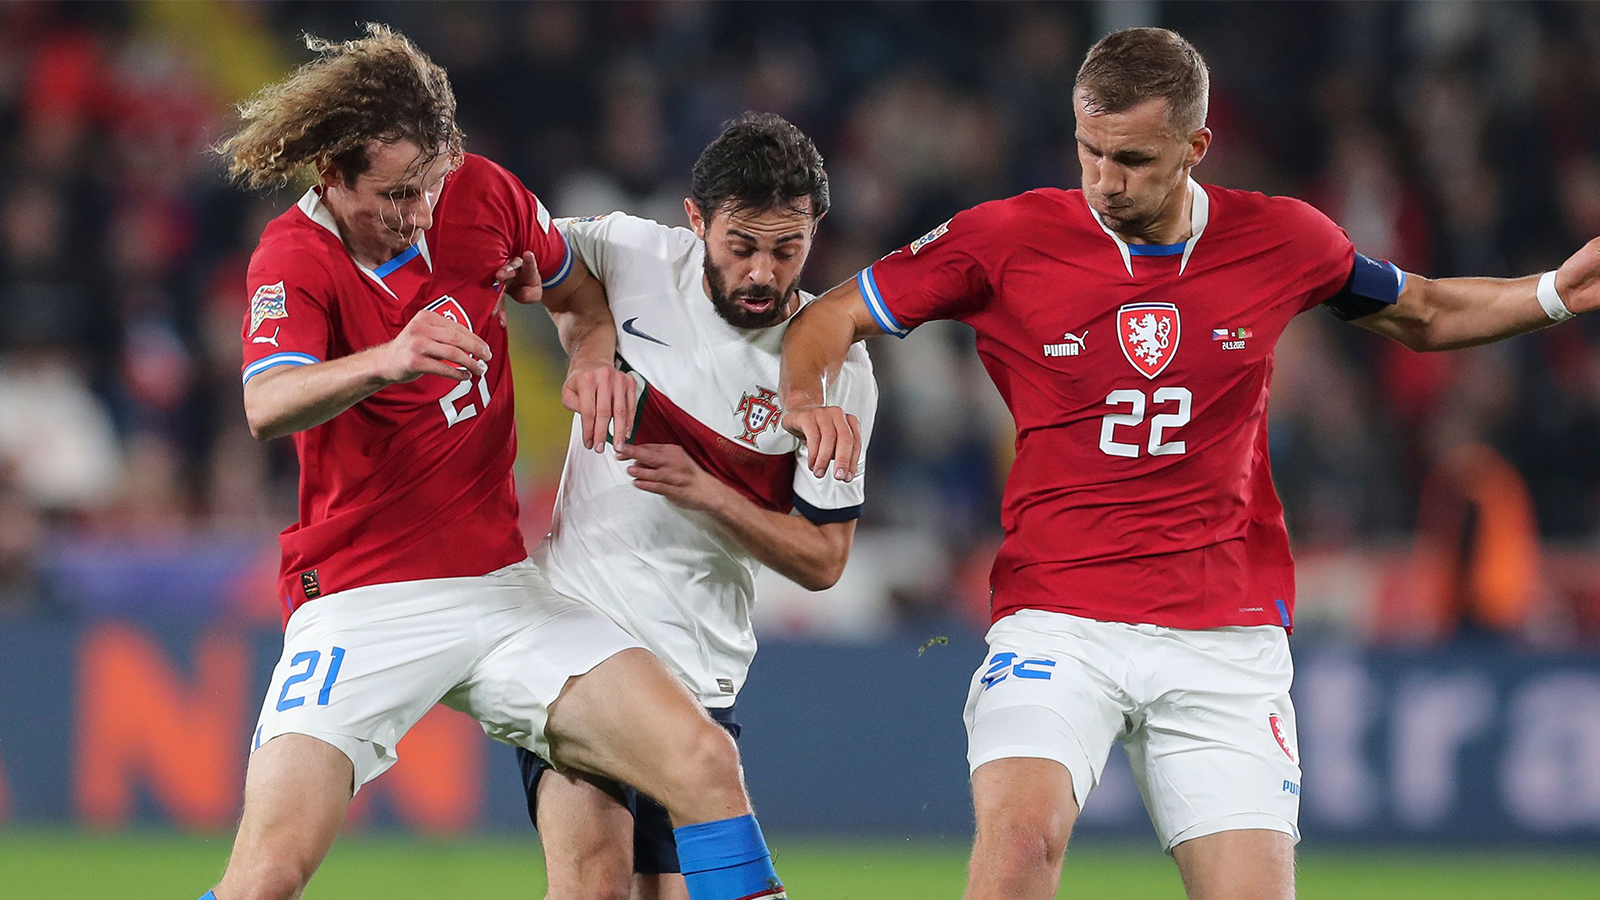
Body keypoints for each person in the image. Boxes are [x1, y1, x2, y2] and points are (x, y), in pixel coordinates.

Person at [779, 26, 1600, 900]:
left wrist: (1562, 293)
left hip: (1224, 631)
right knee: (1017, 853)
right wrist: (806, 398)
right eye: (1089, 150)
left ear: (1196, 147)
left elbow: (1426, 313)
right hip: (1059, 618)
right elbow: (829, 317)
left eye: (1131, 158)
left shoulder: (1282, 238)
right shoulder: (1005, 238)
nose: (1104, 179)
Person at [206, 25, 786, 900]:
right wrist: (388, 359)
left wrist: (593, 357)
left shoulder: (484, 196)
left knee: (704, 761)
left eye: (430, 184)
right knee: (267, 877)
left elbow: (578, 295)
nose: (419, 212)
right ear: (331, 176)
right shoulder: (293, 257)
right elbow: (267, 403)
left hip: (499, 589)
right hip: (361, 600)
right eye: (396, 194)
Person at [514, 112, 876, 900]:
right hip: (577, 636)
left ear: (816, 228)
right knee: (592, 885)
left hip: (699, 672)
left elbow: (824, 559)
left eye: (787, 250)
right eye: (739, 246)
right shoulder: (630, 251)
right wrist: (590, 343)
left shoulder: (838, 370)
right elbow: (517, 243)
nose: (761, 273)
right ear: (694, 220)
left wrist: (708, 491)